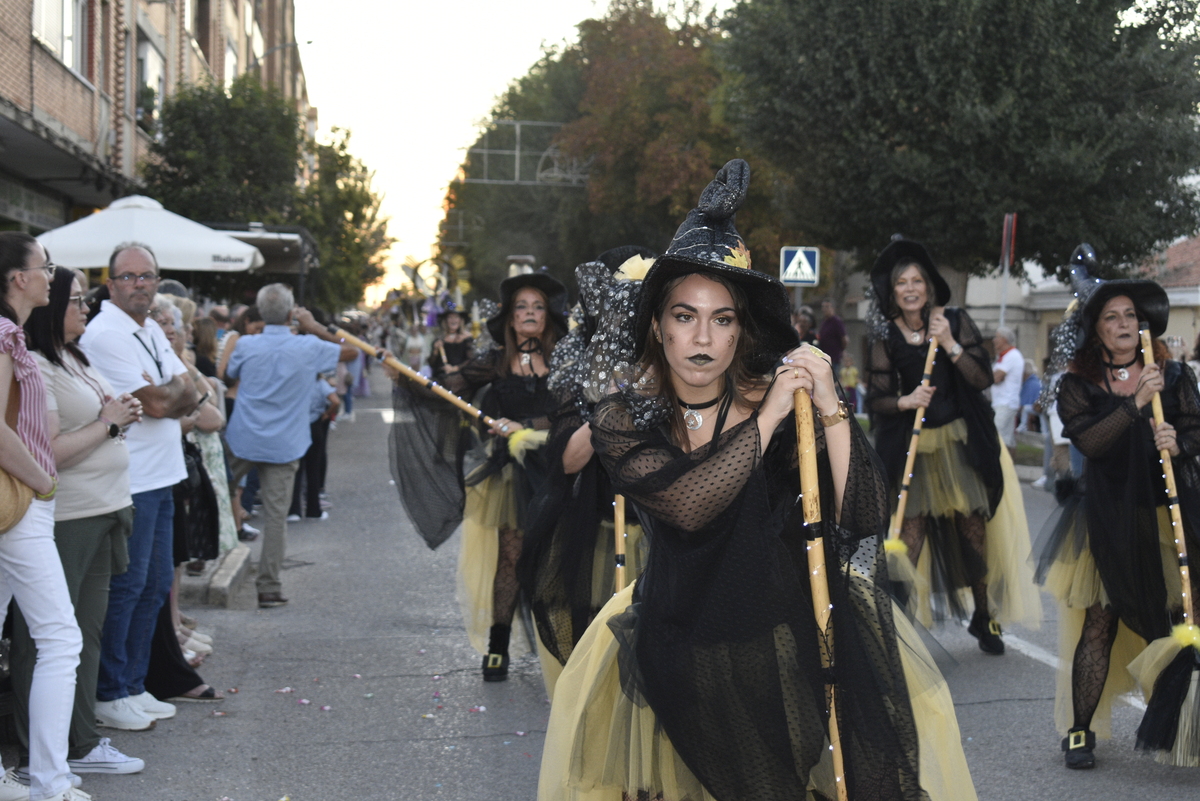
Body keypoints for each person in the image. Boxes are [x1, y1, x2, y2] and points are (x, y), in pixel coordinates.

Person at [539, 161, 974, 801]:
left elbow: (863, 514)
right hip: (677, 640)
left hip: (784, 638)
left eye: (723, 319)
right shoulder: (624, 416)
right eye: (685, 316)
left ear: (743, 328)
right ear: (657, 324)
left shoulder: (790, 403)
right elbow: (689, 506)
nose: (702, 338)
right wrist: (768, 416)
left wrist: (828, 407)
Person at [1033, 245, 1200, 769]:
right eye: (1112, 317)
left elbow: (1196, 433)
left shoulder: (1173, 378)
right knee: (1100, 622)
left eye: (1131, 315)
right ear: (1097, 331)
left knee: (1180, 618)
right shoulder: (1079, 386)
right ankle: (1079, 730)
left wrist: (1179, 441)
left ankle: (1177, 724)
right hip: (1107, 518)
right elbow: (1090, 443)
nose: (1124, 323)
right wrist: (1132, 405)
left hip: (1165, 510)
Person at [866, 237, 1039, 651]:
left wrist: (950, 344)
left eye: (916, 281)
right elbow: (877, 399)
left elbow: (981, 379)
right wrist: (906, 400)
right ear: (892, 293)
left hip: (958, 440)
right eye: (901, 283)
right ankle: (900, 629)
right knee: (909, 534)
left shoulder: (953, 321)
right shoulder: (885, 337)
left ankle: (984, 616)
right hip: (913, 446)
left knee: (971, 527)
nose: (910, 289)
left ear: (928, 286)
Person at [14, 266, 145, 786]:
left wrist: (117, 413)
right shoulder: (34, 364)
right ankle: (36, 754)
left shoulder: (73, 355)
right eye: (75, 301)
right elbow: (44, 450)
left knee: (83, 633)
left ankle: (81, 740)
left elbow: (101, 416)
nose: (85, 309)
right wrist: (110, 421)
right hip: (66, 512)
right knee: (43, 639)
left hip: (105, 506)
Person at [517, 246, 655, 697]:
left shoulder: (668, 356)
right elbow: (566, 460)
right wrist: (612, 401)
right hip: (600, 530)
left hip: (664, 531)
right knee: (602, 659)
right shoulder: (578, 356)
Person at [79, 242, 200, 732]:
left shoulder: (149, 327)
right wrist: (171, 392)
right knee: (128, 588)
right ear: (110, 284)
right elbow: (155, 402)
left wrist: (172, 391)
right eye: (127, 277)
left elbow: (194, 389)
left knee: (153, 586)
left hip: (165, 472)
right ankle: (110, 692)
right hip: (135, 478)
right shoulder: (106, 332)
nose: (138, 285)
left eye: (146, 276)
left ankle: (132, 684)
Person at [441, 270, 567, 681]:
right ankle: (498, 647)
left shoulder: (565, 359)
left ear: (547, 317)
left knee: (557, 558)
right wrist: (403, 375)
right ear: (511, 319)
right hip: (512, 477)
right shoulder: (496, 362)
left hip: (559, 472)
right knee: (511, 557)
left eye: (537, 307)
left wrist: (527, 425)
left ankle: (565, 646)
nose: (529, 313)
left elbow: (577, 413)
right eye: (521, 308)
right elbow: (448, 387)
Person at [0, 233, 89, 801]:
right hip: (17, 502)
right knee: (60, 638)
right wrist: (41, 479)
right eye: (45, 267)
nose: (51, 277)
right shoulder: (7, 335)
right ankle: (50, 783)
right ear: (16, 278)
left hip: (16, 501)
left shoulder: (13, 335)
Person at [223, 283, 354, 608]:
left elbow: (229, 373)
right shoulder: (308, 345)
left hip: (244, 436)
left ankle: (206, 556)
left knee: (221, 495)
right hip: (284, 441)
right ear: (292, 311)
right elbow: (351, 350)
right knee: (276, 517)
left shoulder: (247, 344)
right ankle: (268, 586)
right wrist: (313, 327)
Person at [991, 326, 1024, 452]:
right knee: (1007, 440)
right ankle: (1009, 469)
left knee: (997, 436)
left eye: (997, 337)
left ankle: (1002, 468)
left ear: (1004, 339)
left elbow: (996, 378)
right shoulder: (1004, 357)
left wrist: (990, 377)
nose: (994, 340)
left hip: (1005, 402)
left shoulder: (1012, 356)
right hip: (1002, 402)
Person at [427, 303, 475, 387]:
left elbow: (471, 360)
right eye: (450, 317)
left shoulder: (467, 338)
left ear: (461, 320)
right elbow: (431, 364)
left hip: (461, 379)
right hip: (442, 379)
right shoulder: (439, 339)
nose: (453, 320)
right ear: (445, 320)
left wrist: (454, 369)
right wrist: (435, 350)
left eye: (456, 317)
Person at [817, 296, 848, 372]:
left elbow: (844, 339)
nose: (824, 309)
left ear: (833, 308)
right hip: (823, 357)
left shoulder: (836, 322)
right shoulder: (824, 322)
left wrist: (840, 350)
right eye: (823, 307)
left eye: (827, 307)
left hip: (833, 358)